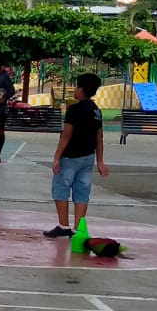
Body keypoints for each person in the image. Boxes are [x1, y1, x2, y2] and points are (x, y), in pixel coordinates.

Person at [45, 73, 108, 238]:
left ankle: (63, 225)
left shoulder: (74, 110)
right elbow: (99, 137)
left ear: (81, 89)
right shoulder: (96, 111)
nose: (74, 89)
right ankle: (78, 229)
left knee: (61, 189)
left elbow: (66, 136)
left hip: (70, 157)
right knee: (82, 192)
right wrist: (100, 161)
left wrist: (56, 157)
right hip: (88, 157)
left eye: (76, 86)